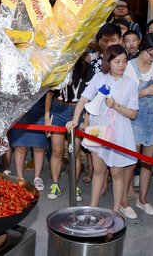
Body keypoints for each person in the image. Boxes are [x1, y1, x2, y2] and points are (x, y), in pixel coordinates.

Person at [67, 45, 139, 213]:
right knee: (98, 171)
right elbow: (84, 99)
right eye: (117, 61)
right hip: (98, 129)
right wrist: (76, 119)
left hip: (120, 131)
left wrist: (116, 106)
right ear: (108, 61)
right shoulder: (99, 78)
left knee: (117, 173)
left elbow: (133, 114)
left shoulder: (130, 84)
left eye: (124, 61)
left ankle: (116, 210)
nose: (121, 65)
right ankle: (93, 206)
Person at [122, 33, 153, 219]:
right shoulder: (130, 67)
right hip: (135, 118)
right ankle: (124, 201)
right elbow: (125, 96)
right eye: (151, 54)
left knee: (148, 163)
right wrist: (145, 92)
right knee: (131, 162)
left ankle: (142, 198)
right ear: (143, 48)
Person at [44, 52, 91, 201]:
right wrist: (47, 117)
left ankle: (74, 185)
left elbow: (91, 96)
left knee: (75, 152)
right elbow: (49, 93)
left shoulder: (87, 68)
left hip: (78, 109)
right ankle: (55, 183)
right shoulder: (59, 67)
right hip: (59, 109)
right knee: (57, 150)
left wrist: (86, 119)